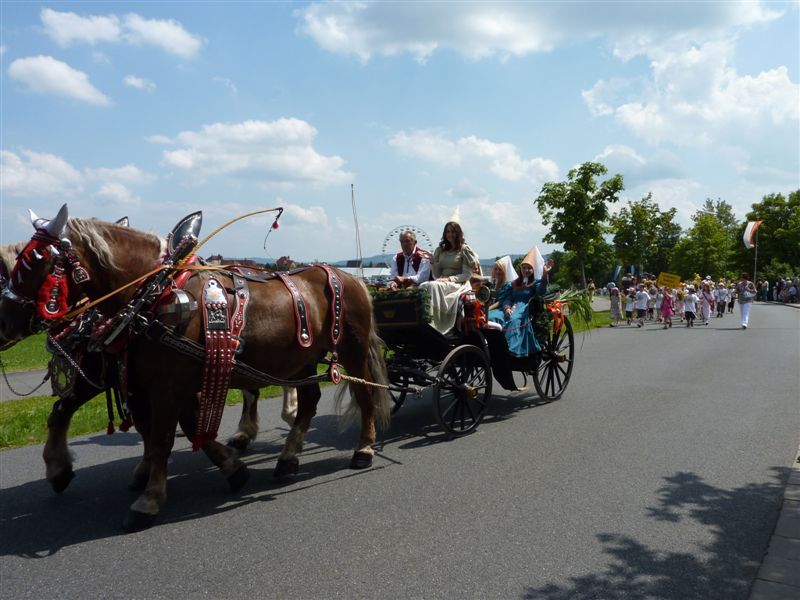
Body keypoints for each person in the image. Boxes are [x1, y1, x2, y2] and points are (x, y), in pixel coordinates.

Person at [418, 221, 479, 334]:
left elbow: (467, 275)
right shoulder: (441, 251)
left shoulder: (464, 250)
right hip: (442, 281)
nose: (450, 234)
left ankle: (436, 323)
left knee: (432, 286)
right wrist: (432, 261)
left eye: (453, 232)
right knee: (423, 285)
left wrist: (449, 279)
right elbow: (437, 274)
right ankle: (424, 319)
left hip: (459, 283)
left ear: (458, 233)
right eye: (448, 231)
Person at [499, 247, 553, 356]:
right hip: (510, 307)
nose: (526, 270)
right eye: (524, 268)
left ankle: (508, 347)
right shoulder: (513, 284)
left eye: (529, 268)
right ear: (520, 269)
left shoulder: (535, 283)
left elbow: (541, 291)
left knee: (514, 320)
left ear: (533, 270)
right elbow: (508, 298)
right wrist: (507, 307)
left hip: (525, 308)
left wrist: (545, 274)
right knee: (493, 317)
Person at [487, 256, 517, 325]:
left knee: (489, 317)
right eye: (496, 269)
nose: (497, 271)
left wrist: (488, 309)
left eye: (500, 269)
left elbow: (500, 302)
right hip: (489, 307)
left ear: (504, 271)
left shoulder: (507, 285)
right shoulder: (491, 284)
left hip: (500, 309)